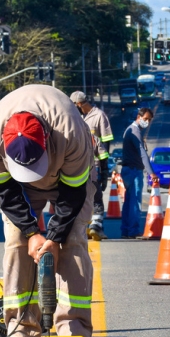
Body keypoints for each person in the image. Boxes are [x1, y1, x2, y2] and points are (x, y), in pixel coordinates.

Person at [0, 84, 95, 337]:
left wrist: (54, 238)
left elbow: (72, 195)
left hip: (69, 178)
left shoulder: (70, 130)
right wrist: (32, 233)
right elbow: (6, 193)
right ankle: (20, 330)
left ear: (45, 138)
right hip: (21, 190)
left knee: (73, 241)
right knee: (15, 242)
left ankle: (73, 330)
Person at [70, 91, 112, 241]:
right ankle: (93, 227)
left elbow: (106, 142)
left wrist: (105, 169)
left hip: (94, 165)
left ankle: (96, 228)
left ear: (79, 104)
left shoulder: (99, 116)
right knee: (91, 198)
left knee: (94, 197)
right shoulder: (77, 117)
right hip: (81, 166)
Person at [120, 107, 158, 239]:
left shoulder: (130, 130)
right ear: (139, 116)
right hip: (133, 170)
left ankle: (126, 230)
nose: (147, 122)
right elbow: (142, 152)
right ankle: (133, 230)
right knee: (135, 202)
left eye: (149, 120)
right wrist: (151, 172)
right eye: (145, 118)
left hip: (128, 169)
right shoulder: (135, 130)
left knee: (129, 201)